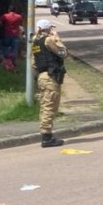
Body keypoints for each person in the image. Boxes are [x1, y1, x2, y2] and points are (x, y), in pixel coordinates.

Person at [31, 18, 67, 147]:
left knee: (46, 105)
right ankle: (46, 137)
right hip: (50, 76)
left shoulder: (35, 42)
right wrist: (57, 39)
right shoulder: (48, 40)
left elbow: (34, 63)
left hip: (42, 76)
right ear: (48, 29)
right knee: (49, 106)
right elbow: (63, 53)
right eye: (51, 28)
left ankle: (47, 134)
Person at [0, 5, 24, 69]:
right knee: (14, 49)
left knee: (5, 46)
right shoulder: (19, 17)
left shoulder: (5, 16)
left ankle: (7, 61)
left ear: (9, 10)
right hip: (16, 35)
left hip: (7, 34)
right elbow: (20, 24)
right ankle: (13, 62)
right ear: (15, 10)